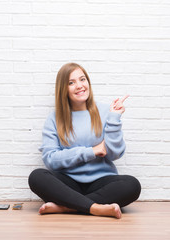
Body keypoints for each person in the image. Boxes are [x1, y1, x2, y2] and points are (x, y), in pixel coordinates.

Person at [28, 63, 141, 219]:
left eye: (82, 79)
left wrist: (114, 118)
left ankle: (67, 208)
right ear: (63, 89)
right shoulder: (54, 118)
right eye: (71, 82)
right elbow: (51, 160)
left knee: (132, 185)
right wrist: (91, 151)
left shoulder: (106, 111)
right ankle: (96, 207)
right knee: (37, 177)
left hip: (101, 181)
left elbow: (115, 154)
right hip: (68, 184)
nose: (79, 86)